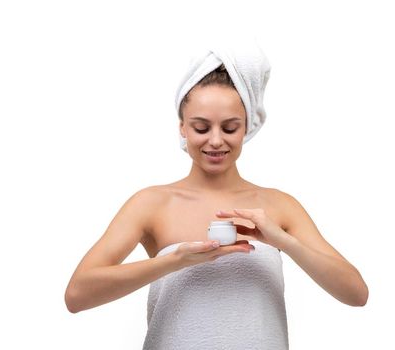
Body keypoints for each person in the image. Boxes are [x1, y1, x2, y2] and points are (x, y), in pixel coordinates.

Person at [64, 42, 368, 349]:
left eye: (230, 127)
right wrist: (175, 261)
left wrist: (285, 242)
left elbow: (356, 293)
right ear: (182, 127)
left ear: (247, 127)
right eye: (201, 127)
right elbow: (77, 295)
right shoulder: (151, 204)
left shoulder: (279, 206)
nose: (215, 140)